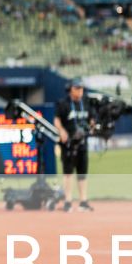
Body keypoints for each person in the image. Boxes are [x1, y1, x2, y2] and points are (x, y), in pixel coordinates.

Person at [52, 81, 93, 211]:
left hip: (82, 143)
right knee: (68, 172)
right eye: (77, 88)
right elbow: (56, 119)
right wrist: (61, 131)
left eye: (81, 89)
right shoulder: (64, 103)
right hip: (68, 144)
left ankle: (83, 201)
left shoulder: (85, 102)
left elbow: (92, 119)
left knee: (82, 173)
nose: (80, 91)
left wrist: (92, 126)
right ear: (71, 90)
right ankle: (68, 201)